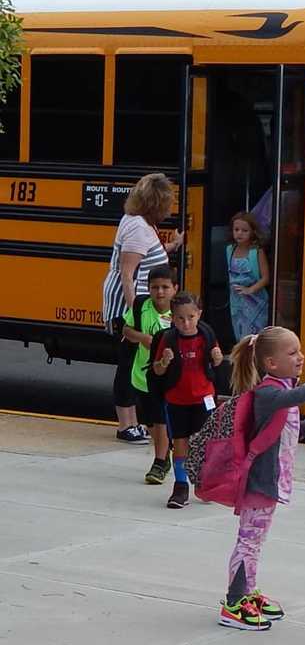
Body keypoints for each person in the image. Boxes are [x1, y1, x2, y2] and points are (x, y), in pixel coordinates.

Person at [218, 326, 305, 631]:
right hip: (259, 482)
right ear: (271, 363)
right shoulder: (271, 393)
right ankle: (233, 603)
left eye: (300, 350)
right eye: (292, 352)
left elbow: (286, 433)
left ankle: (247, 592)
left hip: (271, 483)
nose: (301, 357)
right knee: (248, 543)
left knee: (255, 542)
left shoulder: (280, 393)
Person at [102, 173, 183, 443]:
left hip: (135, 304)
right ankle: (126, 426)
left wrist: (173, 245)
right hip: (129, 306)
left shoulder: (139, 223)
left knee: (134, 362)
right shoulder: (138, 228)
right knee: (128, 363)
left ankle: (133, 422)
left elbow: (149, 255)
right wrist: (134, 316)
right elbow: (128, 274)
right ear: (156, 203)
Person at [151, 292, 223, 509]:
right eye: (180, 318)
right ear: (173, 318)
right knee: (180, 443)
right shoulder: (168, 339)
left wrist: (218, 358)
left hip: (203, 398)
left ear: (199, 314)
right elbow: (157, 370)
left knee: (202, 443)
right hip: (176, 400)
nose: (186, 323)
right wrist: (164, 361)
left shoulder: (206, 335)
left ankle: (205, 481)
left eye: (191, 317)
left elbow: (215, 361)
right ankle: (181, 487)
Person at [122, 265, 178, 484]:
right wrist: (141, 338)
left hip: (166, 377)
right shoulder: (141, 306)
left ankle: (160, 461)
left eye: (165, 287)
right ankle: (165, 455)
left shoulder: (179, 313)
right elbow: (127, 330)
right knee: (152, 423)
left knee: (160, 418)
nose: (160, 292)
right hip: (143, 375)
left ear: (175, 288)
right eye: (155, 287)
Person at [226, 212, 269, 341]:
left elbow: (266, 277)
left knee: (254, 338)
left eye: (245, 230)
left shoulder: (256, 252)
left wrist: (250, 290)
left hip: (255, 302)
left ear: (252, 232)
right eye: (236, 230)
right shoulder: (230, 250)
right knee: (239, 335)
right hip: (236, 302)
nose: (239, 233)